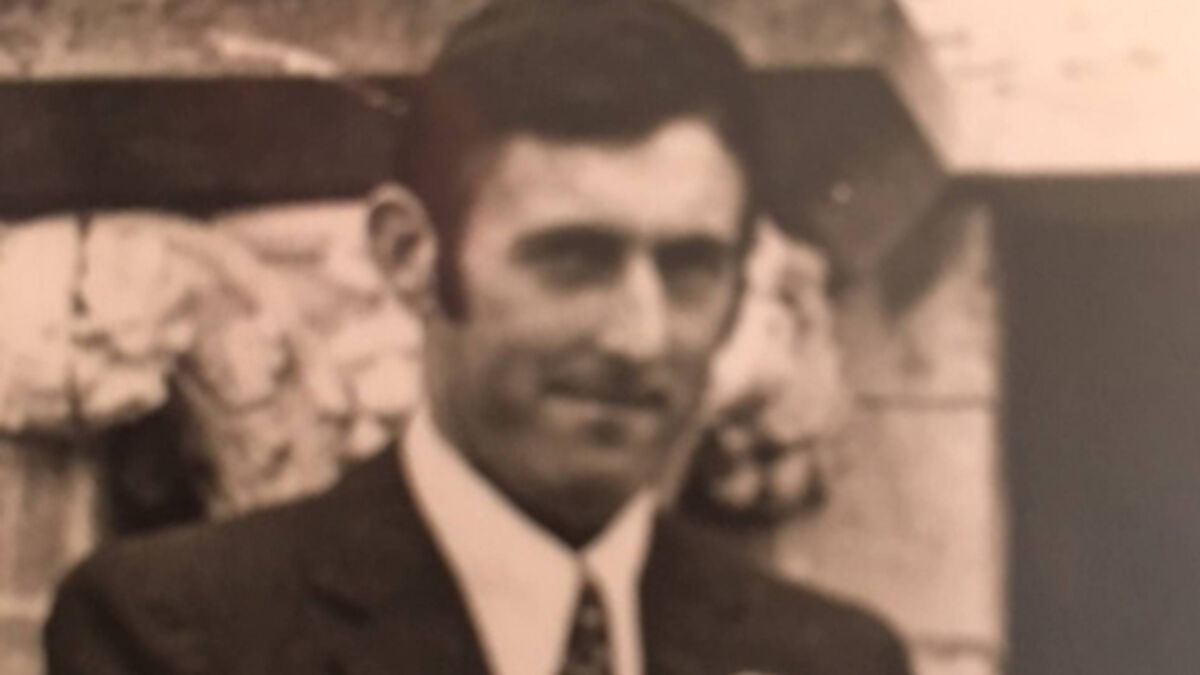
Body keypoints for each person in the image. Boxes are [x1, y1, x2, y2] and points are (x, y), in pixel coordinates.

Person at [45, 1, 911, 673]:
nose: (640, 338)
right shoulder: (180, 635)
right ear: (409, 255)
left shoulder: (831, 661)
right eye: (574, 258)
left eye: (690, 266)